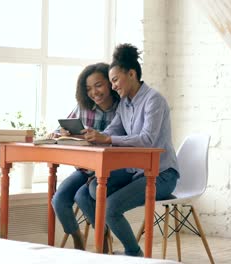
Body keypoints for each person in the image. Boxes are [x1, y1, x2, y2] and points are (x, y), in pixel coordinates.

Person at [79, 43, 179, 257]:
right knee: (92, 188)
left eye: (115, 80)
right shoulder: (125, 104)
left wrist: (107, 138)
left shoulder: (154, 100)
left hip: (161, 174)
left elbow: (147, 140)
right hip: (136, 172)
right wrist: (89, 136)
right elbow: (111, 130)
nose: (113, 86)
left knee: (111, 207)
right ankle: (105, 249)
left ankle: (134, 255)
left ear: (132, 74)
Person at [50, 62, 120, 250]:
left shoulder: (123, 108)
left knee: (83, 197)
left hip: (109, 172)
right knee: (59, 200)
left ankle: (103, 238)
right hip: (84, 170)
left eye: (98, 85)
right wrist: (60, 133)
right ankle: (77, 238)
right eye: (88, 88)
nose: (94, 92)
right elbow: (60, 129)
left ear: (110, 83)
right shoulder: (83, 107)